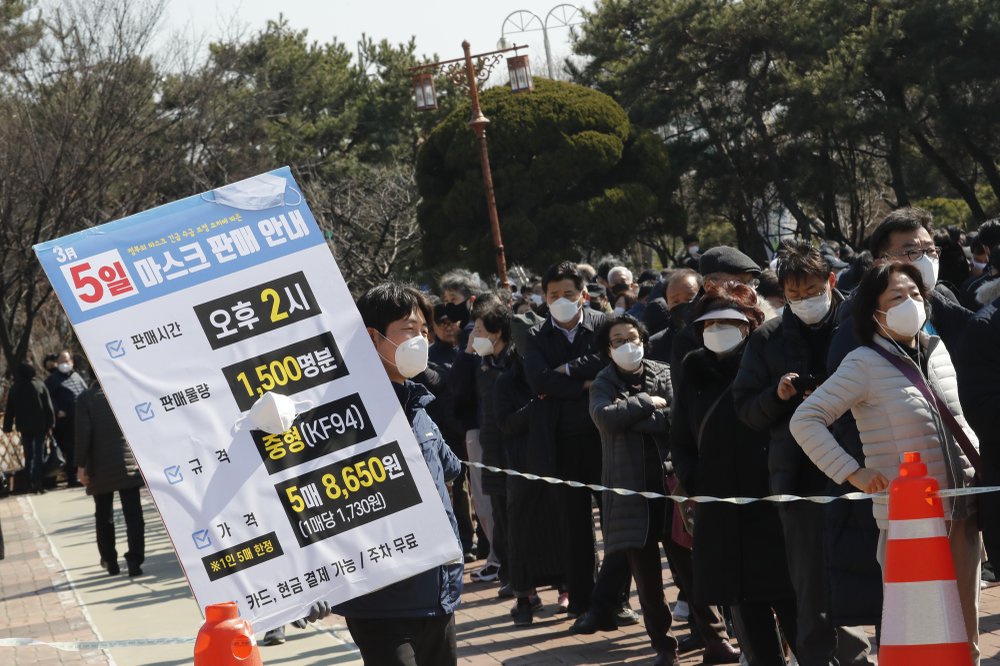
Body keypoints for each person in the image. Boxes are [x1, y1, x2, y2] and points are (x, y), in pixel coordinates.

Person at [790, 262, 981, 665]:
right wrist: (851, 472)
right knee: (922, 638)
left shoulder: (938, 350)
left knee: (965, 635)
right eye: (896, 296)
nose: (910, 302)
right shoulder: (863, 362)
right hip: (910, 522)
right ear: (873, 310)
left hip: (962, 512)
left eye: (914, 294)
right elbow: (805, 419)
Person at [732, 242, 873, 666]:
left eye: (813, 290)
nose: (805, 301)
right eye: (794, 296)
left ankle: (860, 657)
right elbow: (746, 409)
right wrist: (777, 395)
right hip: (799, 479)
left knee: (868, 574)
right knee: (811, 587)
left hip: (864, 467)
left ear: (831, 281)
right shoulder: (767, 338)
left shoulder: (861, 323)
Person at [326, 282, 463, 666]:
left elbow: (448, 467)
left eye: (424, 331)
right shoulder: (341, 411)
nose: (421, 339)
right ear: (373, 336)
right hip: (379, 595)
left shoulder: (417, 404)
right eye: (409, 329)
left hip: (437, 588)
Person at [671, 284, 788, 666]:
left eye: (729, 321)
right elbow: (681, 439)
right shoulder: (692, 371)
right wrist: (696, 480)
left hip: (771, 505)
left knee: (793, 604)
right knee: (745, 609)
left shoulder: (768, 366)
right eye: (711, 322)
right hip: (720, 510)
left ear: (750, 326)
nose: (718, 329)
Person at [523, 261, 629, 620]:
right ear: (543, 297)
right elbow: (537, 380)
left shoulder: (604, 324)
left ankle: (617, 600)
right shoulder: (536, 336)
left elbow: (607, 360)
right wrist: (583, 385)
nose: (561, 300)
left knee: (617, 522)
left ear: (584, 294)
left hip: (606, 437)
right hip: (561, 444)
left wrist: (567, 373)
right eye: (554, 295)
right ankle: (583, 603)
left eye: (568, 293)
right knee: (574, 529)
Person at [589, 314, 681, 665]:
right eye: (618, 341)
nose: (628, 345)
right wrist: (646, 403)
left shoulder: (663, 371)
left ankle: (713, 636)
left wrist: (633, 416)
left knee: (688, 569)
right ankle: (664, 647)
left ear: (643, 339)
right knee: (648, 582)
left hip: (670, 485)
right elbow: (605, 419)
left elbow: (675, 417)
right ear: (607, 349)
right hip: (629, 493)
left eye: (632, 337)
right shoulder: (602, 381)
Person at [75, 379, 145, 576]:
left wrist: (80, 465)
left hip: (98, 466)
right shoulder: (124, 393)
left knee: (104, 515)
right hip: (127, 463)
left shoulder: (85, 399)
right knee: (134, 514)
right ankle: (135, 561)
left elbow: (83, 434)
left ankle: (110, 560)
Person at [469, 301, 516, 594]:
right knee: (500, 513)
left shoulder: (516, 361)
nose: (474, 337)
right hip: (492, 447)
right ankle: (511, 577)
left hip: (516, 447)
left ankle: (527, 581)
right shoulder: (482, 364)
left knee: (520, 514)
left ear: (497, 333)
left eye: (479, 330)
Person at [3, 362, 55, 494]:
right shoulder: (39, 385)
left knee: (29, 455)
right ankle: (39, 483)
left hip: (24, 427)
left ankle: (29, 483)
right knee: (39, 454)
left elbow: (9, 410)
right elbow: (48, 407)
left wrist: (7, 427)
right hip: (40, 425)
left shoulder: (14, 388)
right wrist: (51, 424)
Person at [44, 350, 88, 487]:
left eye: (67, 361)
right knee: (69, 450)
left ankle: (83, 474)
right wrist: (57, 411)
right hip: (64, 422)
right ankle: (72, 478)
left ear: (72, 362)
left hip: (80, 419)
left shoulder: (77, 376)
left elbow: (85, 391)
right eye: (61, 361)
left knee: (81, 448)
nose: (64, 364)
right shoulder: (52, 380)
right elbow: (47, 398)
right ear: (57, 363)